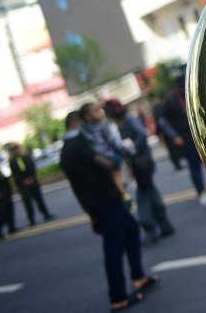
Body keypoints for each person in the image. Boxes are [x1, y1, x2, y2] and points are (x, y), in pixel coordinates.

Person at [60, 111, 159, 311]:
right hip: (104, 200)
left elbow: (75, 187)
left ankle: (138, 277)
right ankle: (118, 297)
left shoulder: (66, 150)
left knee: (131, 229)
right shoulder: (79, 144)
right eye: (94, 112)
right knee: (113, 247)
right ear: (78, 122)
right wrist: (115, 157)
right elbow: (106, 162)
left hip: (98, 200)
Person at [104, 99, 175, 244]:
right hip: (140, 162)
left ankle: (150, 228)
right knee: (151, 193)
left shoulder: (127, 120)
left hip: (141, 162)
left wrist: (133, 149)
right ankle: (164, 225)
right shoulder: (123, 121)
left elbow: (142, 134)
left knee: (143, 196)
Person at [156, 69, 206, 207]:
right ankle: (202, 192)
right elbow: (164, 122)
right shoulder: (170, 103)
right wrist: (174, 136)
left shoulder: (194, 95)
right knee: (194, 166)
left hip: (201, 134)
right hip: (185, 138)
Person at [79, 103, 133, 207]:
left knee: (113, 176)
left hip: (99, 157)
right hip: (110, 154)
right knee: (116, 173)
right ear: (88, 116)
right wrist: (122, 149)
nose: (100, 112)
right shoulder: (104, 124)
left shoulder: (83, 129)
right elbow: (112, 139)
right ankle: (124, 194)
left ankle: (121, 188)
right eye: (96, 111)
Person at [7, 142, 54, 226]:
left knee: (39, 199)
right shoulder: (12, 162)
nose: (16, 151)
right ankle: (31, 219)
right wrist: (23, 181)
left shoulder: (26, 157)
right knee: (27, 203)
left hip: (33, 182)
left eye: (17, 149)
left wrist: (31, 178)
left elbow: (33, 167)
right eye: (14, 150)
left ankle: (46, 214)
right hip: (23, 185)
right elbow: (15, 174)